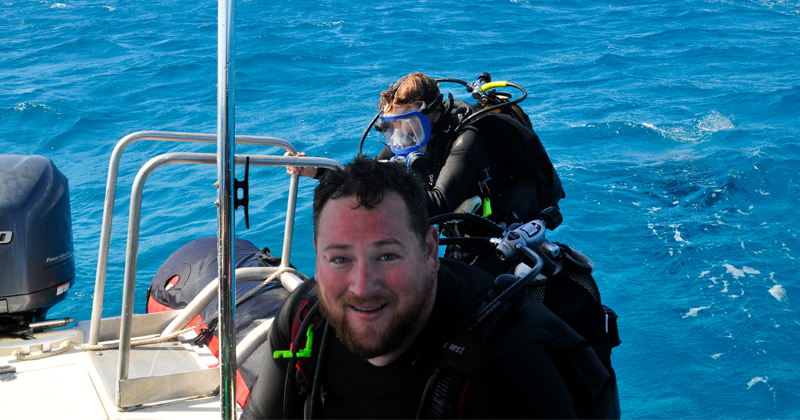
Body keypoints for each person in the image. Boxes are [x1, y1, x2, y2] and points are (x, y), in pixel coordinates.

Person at [242, 157, 615, 419]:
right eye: (339, 259)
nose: (361, 286)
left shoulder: (510, 366)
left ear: (429, 250)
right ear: (317, 255)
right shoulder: (302, 321)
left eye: (387, 256)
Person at [287, 72, 564, 228]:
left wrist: (384, 194)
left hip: (505, 223)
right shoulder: (411, 135)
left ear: (432, 114)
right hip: (466, 221)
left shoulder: (467, 137)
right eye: (395, 127)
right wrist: (317, 170)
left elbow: (440, 205)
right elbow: (368, 171)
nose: (403, 136)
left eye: (409, 124)